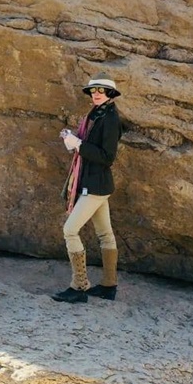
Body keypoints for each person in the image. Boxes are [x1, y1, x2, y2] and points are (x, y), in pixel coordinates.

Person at [52, 72, 124, 304]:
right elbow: (89, 145)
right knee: (105, 234)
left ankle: (79, 286)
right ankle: (108, 286)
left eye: (101, 91)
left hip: (96, 185)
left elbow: (107, 157)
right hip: (95, 183)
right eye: (94, 91)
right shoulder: (96, 114)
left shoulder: (111, 119)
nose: (96, 94)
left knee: (70, 230)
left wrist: (79, 145)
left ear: (110, 93)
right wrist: (73, 139)